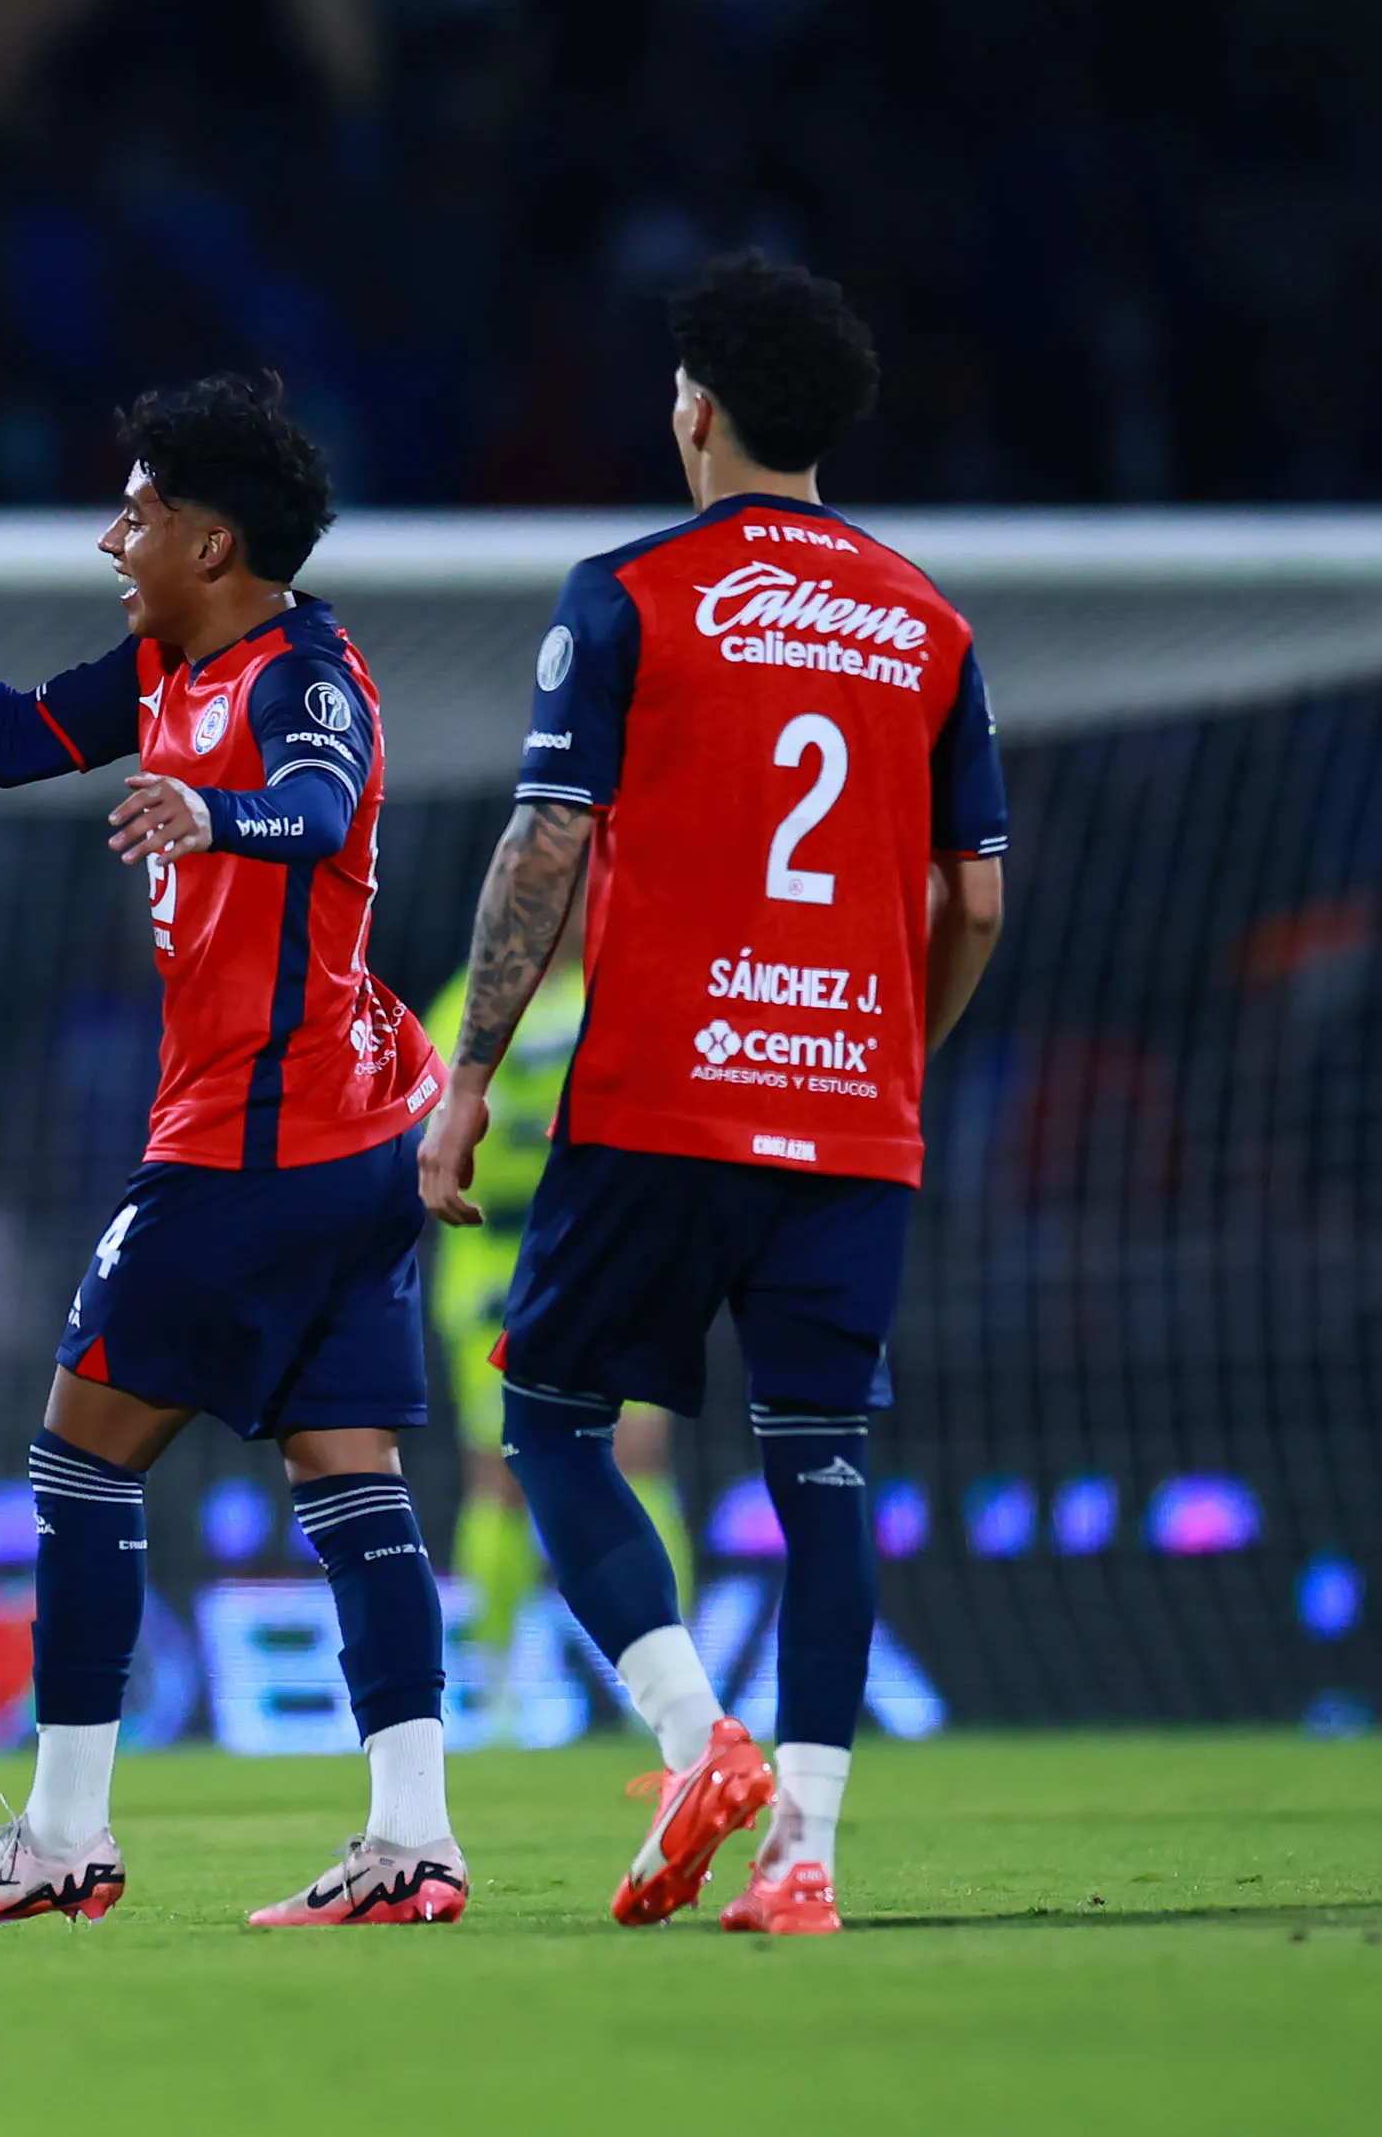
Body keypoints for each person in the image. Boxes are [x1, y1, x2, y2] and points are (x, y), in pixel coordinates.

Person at [0, 379, 462, 1932]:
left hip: (252, 1141)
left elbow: (316, 797)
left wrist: (217, 817)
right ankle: (410, 1834)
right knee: (348, 1477)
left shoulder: (305, 669)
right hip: (348, 1139)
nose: (109, 534)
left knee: (78, 1451)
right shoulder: (161, 661)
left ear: (211, 539)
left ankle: (64, 1830)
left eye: (134, 513)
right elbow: (11, 741)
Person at [422, 254, 1006, 1937]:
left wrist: (465, 1079)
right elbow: (969, 901)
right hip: (846, 1114)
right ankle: (803, 1854)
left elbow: (544, 839)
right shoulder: (929, 624)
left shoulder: (623, 592)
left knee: (542, 1417)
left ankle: (691, 1735)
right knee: (819, 1472)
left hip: (658, 1100)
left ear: (693, 408)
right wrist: (885, 1052)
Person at [418, 935, 692, 1740]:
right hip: (491, 1258)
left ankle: (672, 1682)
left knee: (638, 1447)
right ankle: (496, 1690)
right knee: (501, 1471)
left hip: (609, 1245)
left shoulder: (626, 990)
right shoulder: (467, 1005)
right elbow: (441, 1120)